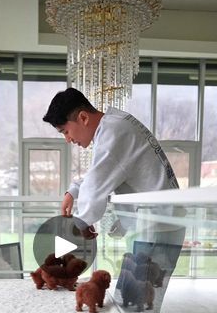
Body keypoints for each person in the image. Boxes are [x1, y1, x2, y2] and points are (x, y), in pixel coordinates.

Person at [43, 87, 179, 239]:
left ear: (83, 118)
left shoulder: (113, 133)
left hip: (158, 226)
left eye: (65, 132)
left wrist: (82, 222)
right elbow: (103, 171)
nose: (68, 140)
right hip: (159, 222)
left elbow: (95, 184)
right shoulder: (115, 124)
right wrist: (74, 191)